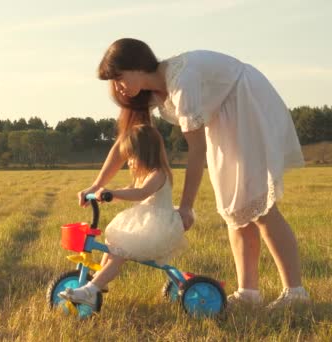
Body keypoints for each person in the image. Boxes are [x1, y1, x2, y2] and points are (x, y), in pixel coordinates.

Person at [78, 38, 309, 309]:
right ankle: (249, 293)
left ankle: (295, 294)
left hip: (244, 104)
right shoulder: (149, 92)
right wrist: (96, 184)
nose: (117, 87)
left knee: (260, 207)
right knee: (235, 210)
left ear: (138, 66)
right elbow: (124, 144)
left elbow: (196, 149)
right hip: (221, 118)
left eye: (119, 78)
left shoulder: (181, 81)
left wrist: (186, 206)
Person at [59, 125, 188, 307]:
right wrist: (108, 196)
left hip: (158, 228)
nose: (129, 162)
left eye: (132, 157)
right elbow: (130, 190)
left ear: (145, 154)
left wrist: (112, 192)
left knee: (119, 253)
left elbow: (141, 193)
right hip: (148, 223)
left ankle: (90, 290)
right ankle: (98, 280)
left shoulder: (159, 174)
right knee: (113, 246)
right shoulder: (145, 175)